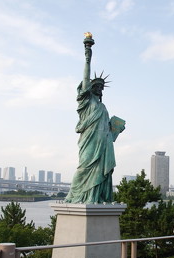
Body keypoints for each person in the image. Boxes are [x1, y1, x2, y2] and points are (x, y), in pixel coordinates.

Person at [64, 32, 125, 204]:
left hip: (104, 144)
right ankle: (75, 196)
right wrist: (87, 56)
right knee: (84, 168)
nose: (100, 89)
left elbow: (108, 132)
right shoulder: (87, 101)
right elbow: (85, 78)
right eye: (96, 86)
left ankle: (96, 197)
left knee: (100, 171)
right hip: (90, 141)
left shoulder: (103, 107)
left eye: (101, 87)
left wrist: (116, 129)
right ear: (90, 88)